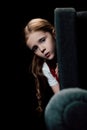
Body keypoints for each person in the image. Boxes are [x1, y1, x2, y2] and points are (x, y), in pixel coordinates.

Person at [24, 18, 60, 113]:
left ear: (54, 33)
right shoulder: (46, 68)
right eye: (35, 48)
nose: (42, 49)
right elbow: (62, 98)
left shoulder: (73, 46)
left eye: (42, 40)